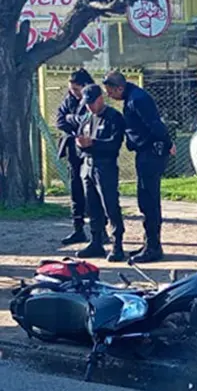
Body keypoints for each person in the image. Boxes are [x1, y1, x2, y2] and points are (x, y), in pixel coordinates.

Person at [102, 71, 174, 263]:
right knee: (145, 199)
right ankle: (149, 244)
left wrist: (167, 144)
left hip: (151, 153)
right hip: (145, 152)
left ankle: (153, 248)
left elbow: (155, 125)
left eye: (110, 91)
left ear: (119, 88)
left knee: (149, 200)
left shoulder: (138, 99)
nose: (108, 95)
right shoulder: (132, 97)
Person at [75, 85, 127, 263]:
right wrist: (81, 144)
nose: (89, 107)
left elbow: (114, 143)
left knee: (110, 205)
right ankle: (96, 241)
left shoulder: (113, 117)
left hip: (105, 167)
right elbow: (79, 137)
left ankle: (117, 244)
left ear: (100, 98)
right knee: (92, 206)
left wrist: (93, 143)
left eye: (91, 103)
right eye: (86, 103)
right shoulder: (87, 117)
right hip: (87, 166)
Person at [55, 68, 105, 246]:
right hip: (72, 151)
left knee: (94, 191)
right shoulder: (68, 100)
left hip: (90, 152)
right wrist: (73, 122)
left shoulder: (92, 98)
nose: (72, 92)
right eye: (71, 89)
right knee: (76, 189)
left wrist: (72, 119)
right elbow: (59, 120)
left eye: (76, 89)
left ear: (85, 86)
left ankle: (100, 229)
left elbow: (88, 121)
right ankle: (78, 229)